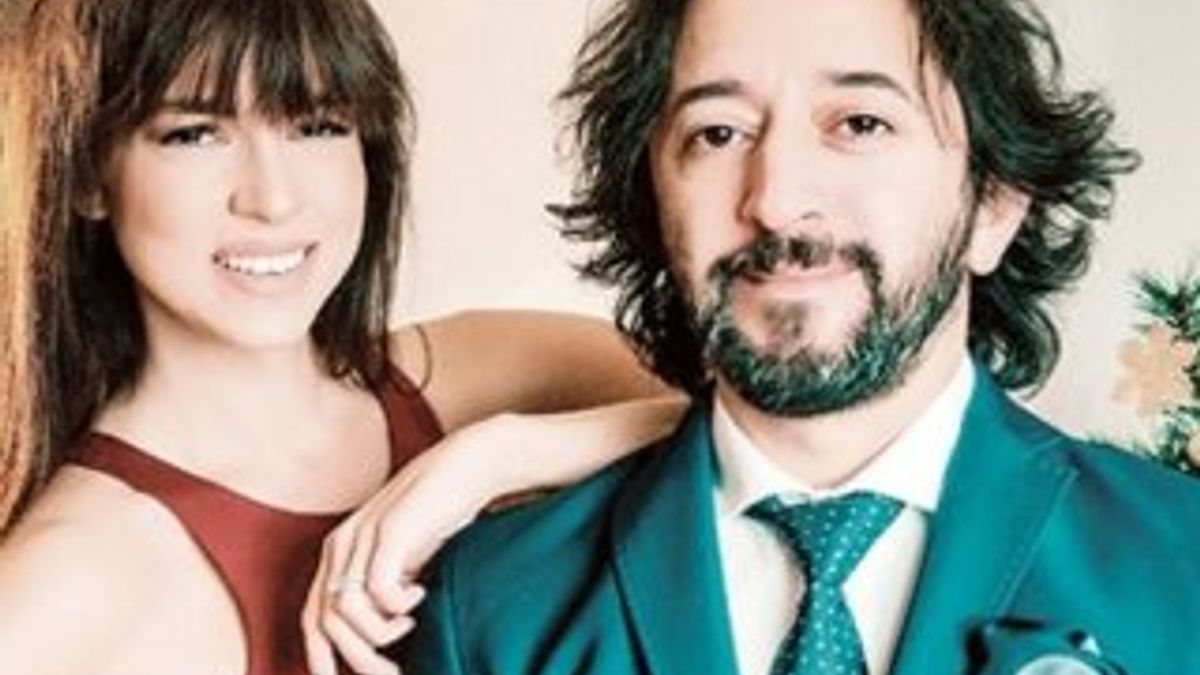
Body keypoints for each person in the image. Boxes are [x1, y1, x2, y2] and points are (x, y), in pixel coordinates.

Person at [393, 0, 1200, 673]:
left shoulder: (1182, 558)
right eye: (718, 133)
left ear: (992, 205)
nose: (776, 199)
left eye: (859, 122)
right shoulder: (490, 611)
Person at [0, 1, 684, 675]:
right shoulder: (60, 588)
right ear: (88, 175)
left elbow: (743, 422)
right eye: (196, 134)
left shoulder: (480, 376)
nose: (273, 200)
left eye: (317, 126)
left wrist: (498, 458)